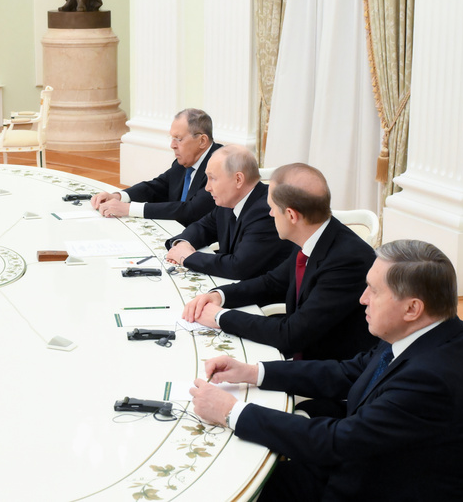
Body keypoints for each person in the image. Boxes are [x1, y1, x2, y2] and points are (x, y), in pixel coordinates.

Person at [189, 240, 463, 502]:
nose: (362, 299)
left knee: (239, 484)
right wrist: (252, 371)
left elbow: (338, 443)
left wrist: (231, 412)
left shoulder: (432, 379)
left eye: (374, 291)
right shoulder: (432, 331)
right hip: (383, 462)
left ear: (412, 308)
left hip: (388, 487)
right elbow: (349, 372)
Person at [182, 163, 375, 361]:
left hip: (327, 370)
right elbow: (272, 283)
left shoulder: (348, 261)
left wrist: (219, 317)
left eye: (272, 208)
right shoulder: (316, 235)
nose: (271, 214)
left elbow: (291, 335)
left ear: (291, 215)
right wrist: (219, 296)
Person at [164, 145, 293, 279]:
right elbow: (203, 227)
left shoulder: (266, 211)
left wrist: (188, 257)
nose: (207, 188)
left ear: (238, 180)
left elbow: (238, 267)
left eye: (212, 178)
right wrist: (182, 243)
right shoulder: (229, 201)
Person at [91, 109, 220, 227]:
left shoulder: (220, 165)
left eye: (179, 139)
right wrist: (119, 197)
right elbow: (157, 186)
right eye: (172, 138)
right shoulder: (184, 162)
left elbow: (191, 210)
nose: (172, 145)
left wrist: (128, 209)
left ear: (202, 141)